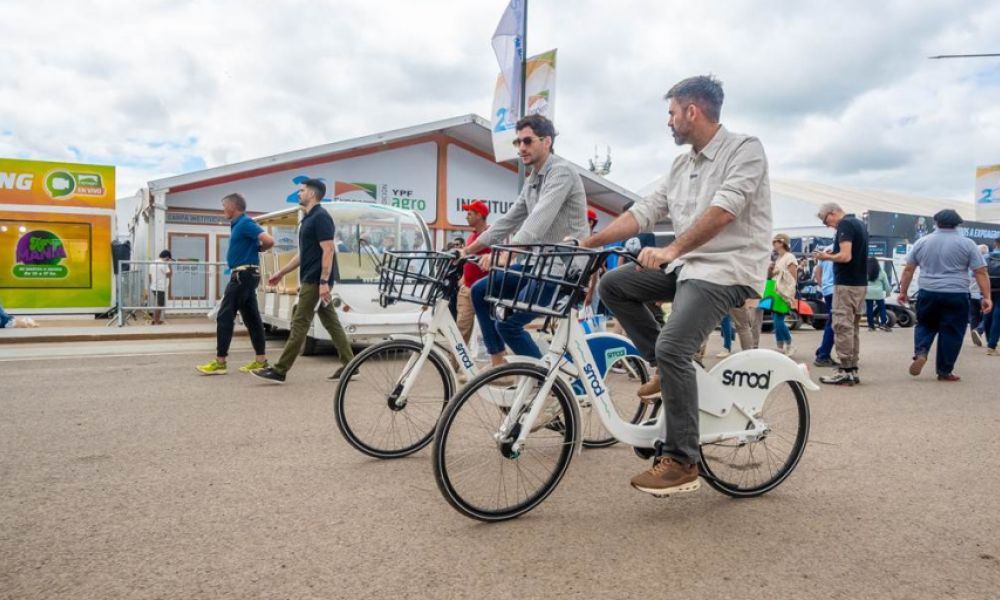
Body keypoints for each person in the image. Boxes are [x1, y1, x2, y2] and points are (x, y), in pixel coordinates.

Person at [581, 75, 771, 496]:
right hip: (688, 266)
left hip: (727, 269)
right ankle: (666, 372)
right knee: (614, 285)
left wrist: (672, 249)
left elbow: (725, 210)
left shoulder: (745, 150)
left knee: (674, 347)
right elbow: (647, 210)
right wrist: (590, 242)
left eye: (671, 112)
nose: (668, 122)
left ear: (692, 111)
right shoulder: (681, 164)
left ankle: (683, 460)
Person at [463, 114, 589, 366]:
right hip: (538, 265)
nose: (521, 148)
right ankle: (498, 362)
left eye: (528, 141)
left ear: (547, 141)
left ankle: (553, 386)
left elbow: (539, 218)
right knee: (480, 290)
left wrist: (508, 252)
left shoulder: (561, 172)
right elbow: (508, 220)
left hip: (564, 269)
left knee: (509, 324)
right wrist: (467, 251)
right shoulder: (532, 180)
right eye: (517, 142)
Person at [251, 179, 356, 384]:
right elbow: (303, 254)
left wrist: (324, 281)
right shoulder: (308, 219)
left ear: (313, 194)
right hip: (312, 279)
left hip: (316, 281)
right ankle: (351, 365)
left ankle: (280, 370)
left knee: (299, 323)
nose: (299, 194)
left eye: (302, 191)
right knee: (331, 323)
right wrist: (281, 272)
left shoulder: (321, 217)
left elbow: (328, 249)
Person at [897, 210, 991, 381]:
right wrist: (987, 297)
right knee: (952, 331)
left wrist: (903, 292)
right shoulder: (968, 244)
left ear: (936, 223)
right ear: (958, 224)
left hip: (928, 291)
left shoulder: (922, 242)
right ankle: (944, 370)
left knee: (925, 324)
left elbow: (909, 268)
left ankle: (921, 351)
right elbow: (980, 272)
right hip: (956, 293)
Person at [196, 193, 273, 375]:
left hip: (243, 275)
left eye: (224, 207)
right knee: (252, 319)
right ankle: (261, 361)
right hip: (246, 275)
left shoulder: (245, 222)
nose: (223, 210)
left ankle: (220, 362)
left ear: (232, 207)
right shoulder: (238, 224)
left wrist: (258, 248)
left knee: (224, 316)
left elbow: (269, 240)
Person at [814, 203, 868, 385]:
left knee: (841, 326)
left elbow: (846, 256)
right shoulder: (859, 223)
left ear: (832, 212)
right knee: (853, 327)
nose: (828, 225)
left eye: (826, 220)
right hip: (860, 284)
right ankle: (852, 368)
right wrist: (833, 252)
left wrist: (826, 257)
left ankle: (844, 371)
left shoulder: (845, 225)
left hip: (845, 284)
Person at [456, 201, 490, 343]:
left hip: (483, 291)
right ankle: (454, 364)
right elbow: (468, 259)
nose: (466, 217)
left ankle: (500, 362)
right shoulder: (472, 235)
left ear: (480, 215)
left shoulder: (490, 235)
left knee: (490, 330)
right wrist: (464, 277)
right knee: (460, 329)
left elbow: (498, 260)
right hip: (467, 288)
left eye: (470, 214)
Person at [770, 233, 798, 355]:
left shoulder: (790, 257)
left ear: (782, 242)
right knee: (776, 319)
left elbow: (793, 277)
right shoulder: (779, 258)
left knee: (778, 320)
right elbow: (773, 275)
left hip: (784, 292)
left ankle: (789, 344)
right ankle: (781, 345)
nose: (773, 244)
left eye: (775, 242)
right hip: (776, 291)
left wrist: (791, 295)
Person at [813, 247, 837, 367]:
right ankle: (823, 354)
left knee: (831, 321)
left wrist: (823, 285)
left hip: (827, 289)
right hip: (837, 288)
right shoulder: (840, 249)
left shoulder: (826, 249)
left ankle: (822, 350)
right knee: (834, 322)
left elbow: (818, 271)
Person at [978, 237, 1000, 356]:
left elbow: (976, 272)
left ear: (995, 244)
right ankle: (992, 345)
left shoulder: (986, 257)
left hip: (988, 288)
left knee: (987, 312)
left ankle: (989, 341)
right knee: (998, 315)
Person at [968, 244, 989, 346]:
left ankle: (975, 333)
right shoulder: (986, 264)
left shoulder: (971, 265)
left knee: (974, 315)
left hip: (972, 294)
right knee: (989, 315)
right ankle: (979, 330)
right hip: (982, 294)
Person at [865, 257, 892, 331]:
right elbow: (886, 284)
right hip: (878, 293)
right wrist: (888, 292)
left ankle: (871, 326)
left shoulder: (865, 272)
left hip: (868, 292)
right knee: (882, 308)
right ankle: (883, 323)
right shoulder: (882, 272)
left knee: (869, 309)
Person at [148, 249, 173, 325]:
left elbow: (149, 275)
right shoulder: (164, 264)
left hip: (154, 286)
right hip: (160, 287)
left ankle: (155, 319)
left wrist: (152, 284)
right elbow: (169, 275)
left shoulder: (152, 263)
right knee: (160, 304)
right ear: (167, 257)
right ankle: (156, 321)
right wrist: (169, 264)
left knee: (158, 303)